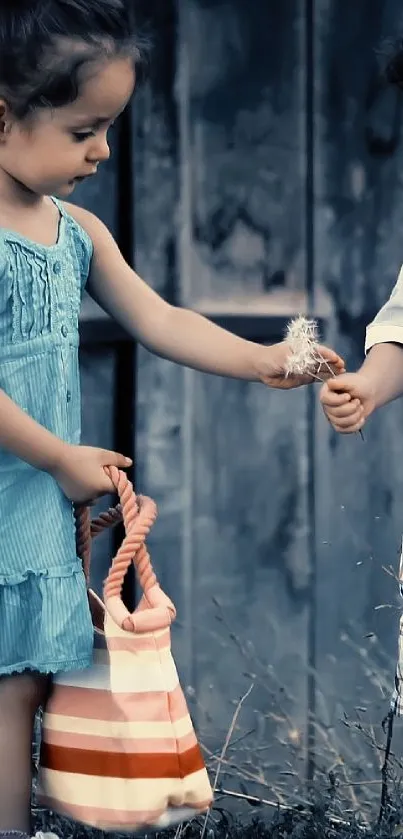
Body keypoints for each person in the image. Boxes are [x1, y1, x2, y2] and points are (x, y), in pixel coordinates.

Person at [0, 1, 344, 836]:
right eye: (84, 130)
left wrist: (262, 357)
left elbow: (159, 318)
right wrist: (56, 455)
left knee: (25, 681)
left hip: (31, 503)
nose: (102, 151)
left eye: (110, 129)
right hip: (25, 477)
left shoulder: (76, 233)